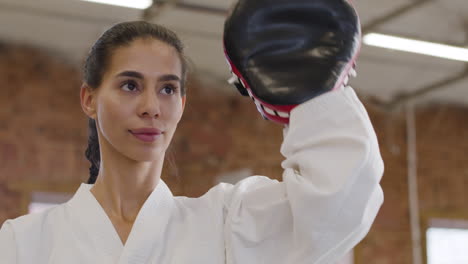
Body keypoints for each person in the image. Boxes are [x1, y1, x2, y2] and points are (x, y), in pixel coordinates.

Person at [0, 0, 384, 263]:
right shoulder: (22, 243)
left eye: (168, 88)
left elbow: (335, 204)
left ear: (182, 104)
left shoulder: (228, 224)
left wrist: (314, 99)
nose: (152, 106)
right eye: (130, 85)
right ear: (89, 98)